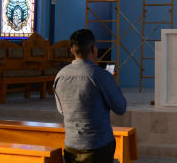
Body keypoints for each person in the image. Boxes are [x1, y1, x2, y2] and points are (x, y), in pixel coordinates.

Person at [54, 29, 127, 163]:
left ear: (72, 50)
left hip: (71, 146)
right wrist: (113, 84)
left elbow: (61, 110)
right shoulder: (101, 76)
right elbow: (120, 107)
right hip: (97, 147)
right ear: (93, 49)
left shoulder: (60, 76)